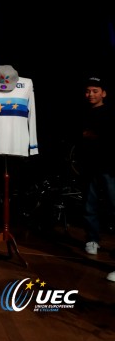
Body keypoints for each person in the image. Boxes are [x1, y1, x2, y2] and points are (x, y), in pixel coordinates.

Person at [74, 76, 114, 258]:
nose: (90, 94)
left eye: (95, 91)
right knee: (89, 204)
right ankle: (92, 239)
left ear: (103, 94)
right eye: (88, 91)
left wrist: (95, 135)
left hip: (109, 167)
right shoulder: (83, 113)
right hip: (89, 166)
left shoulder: (109, 112)